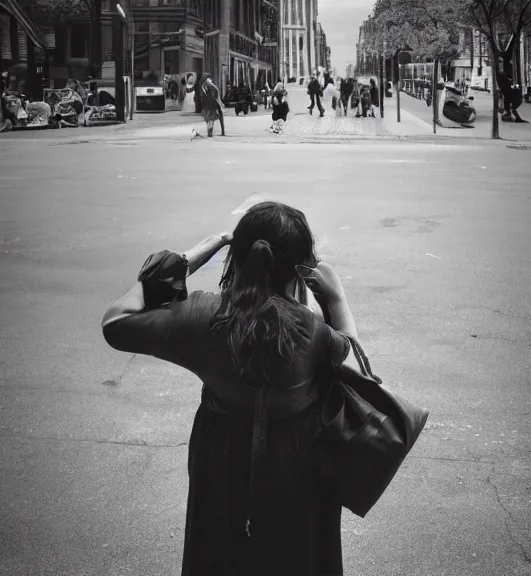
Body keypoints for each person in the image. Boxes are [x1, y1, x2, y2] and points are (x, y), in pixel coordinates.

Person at [101, 201, 361, 576]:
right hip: (300, 464)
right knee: (299, 555)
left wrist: (200, 250)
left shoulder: (202, 316)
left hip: (220, 455)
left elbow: (116, 321)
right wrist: (336, 298)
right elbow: (353, 362)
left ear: (235, 259)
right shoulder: (312, 331)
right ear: (302, 271)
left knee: (218, 551)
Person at [199, 73, 225, 138]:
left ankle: (209, 132)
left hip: (208, 106)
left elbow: (215, 96)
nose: (210, 80)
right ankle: (210, 132)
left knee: (209, 119)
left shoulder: (205, 86)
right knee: (210, 119)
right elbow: (215, 95)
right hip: (211, 105)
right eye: (209, 78)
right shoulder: (208, 86)